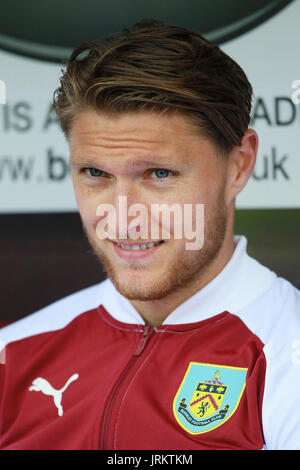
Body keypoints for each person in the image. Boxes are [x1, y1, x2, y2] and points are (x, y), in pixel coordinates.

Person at [0, 18, 299, 450]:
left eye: (160, 173)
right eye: (95, 173)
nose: (122, 218)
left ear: (239, 165)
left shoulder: (287, 355)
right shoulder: (14, 352)